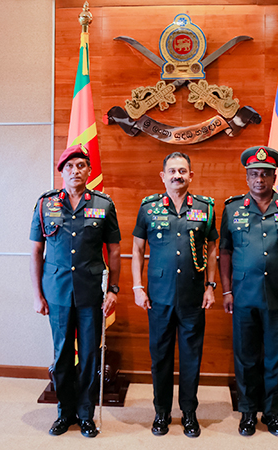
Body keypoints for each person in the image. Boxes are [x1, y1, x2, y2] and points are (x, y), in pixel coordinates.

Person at [218, 145, 278, 437]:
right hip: (244, 296)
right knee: (245, 357)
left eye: (266, 174)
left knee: (276, 356)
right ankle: (247, 412)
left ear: (274, 177)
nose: (260, 179)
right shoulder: (232, 209)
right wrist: (226, 290)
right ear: (247, 177)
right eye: (254, 174)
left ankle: (271, 413)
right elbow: (225, 252)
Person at [29, 143, 121, 438]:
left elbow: (115, 251)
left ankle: (85, 415)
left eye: (81, 165)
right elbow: (35, 252)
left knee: (90, 357)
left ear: (89, 170)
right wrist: (37, 294)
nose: (75, 171)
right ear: (61, 172)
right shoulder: (45, 204)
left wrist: (114, 290)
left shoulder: (103, 204)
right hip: (56, 293)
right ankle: (64, 413)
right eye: (69, 166)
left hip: (91, 293)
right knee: (62, 356)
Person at [131, 152, 218, 438]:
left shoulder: (205, 208)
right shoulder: (149, 207)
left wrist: (210, 285)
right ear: (163, 175)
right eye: (172, 171)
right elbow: (138, 250)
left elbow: (213, 249)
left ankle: (189, 413)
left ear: (191, 175)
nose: (177, 175)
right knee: (160, 357)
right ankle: (161, 412)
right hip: (159, 297)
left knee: (191, 357)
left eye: (182, 171)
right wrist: (137, 287)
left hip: (193, 297)